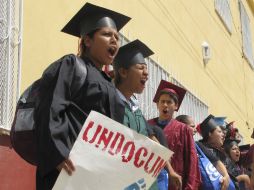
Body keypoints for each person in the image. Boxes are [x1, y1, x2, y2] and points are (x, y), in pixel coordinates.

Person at [35, 3, 130, 189]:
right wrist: (58, 154)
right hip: (65, 169)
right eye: (107, 34)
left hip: (94, 175)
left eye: (117, 37)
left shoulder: (109, 84)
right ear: (87, 40)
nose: (114, 41)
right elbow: (49, 108)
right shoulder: (72, 66)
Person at [113, 40, 181, 190]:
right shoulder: (108, 101)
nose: (147, 72)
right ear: (123, 72)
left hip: (141, 180)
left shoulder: (134, 107)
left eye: (147, 68)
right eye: (141, 68)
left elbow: (151, 139)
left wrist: (170, 170)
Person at [148, 80, 201, 190]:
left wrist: (190, 187)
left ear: (176, 106)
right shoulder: (147, 125)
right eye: (162, 101)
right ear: (157, 104)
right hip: (148, 181)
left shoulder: (184, 129)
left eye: (169, 102)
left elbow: (191, 160)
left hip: (174, 184)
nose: (165, 105)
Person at [196, 114, 232, 190]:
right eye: (219, 132)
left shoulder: (222, 153)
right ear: (210, 134)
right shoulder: (200, 148)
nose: (223, 135)